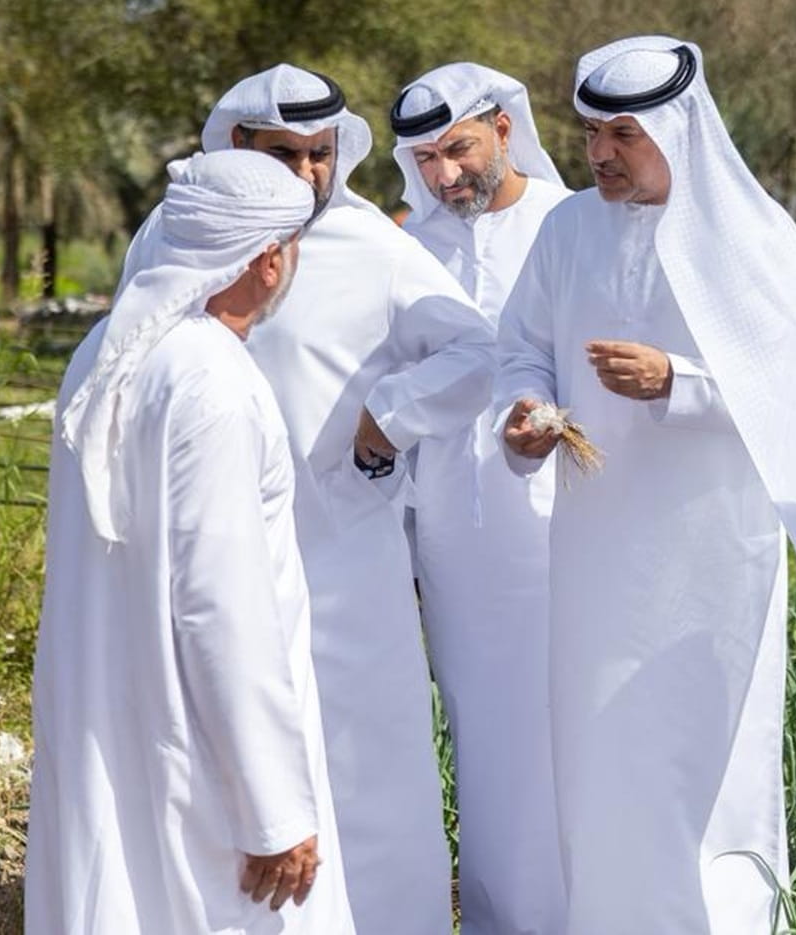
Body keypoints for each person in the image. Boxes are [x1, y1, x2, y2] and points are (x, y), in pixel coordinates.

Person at [494, 36, 796, 933]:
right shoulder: (567, 228)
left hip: (713, 562)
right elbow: (524, 344)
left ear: (677, 128)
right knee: (599, 762)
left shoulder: (749, 236)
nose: (598, 154)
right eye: (591, 132)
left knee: (706, 771)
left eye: (623, 132)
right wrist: (528, 404)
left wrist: (680, 382)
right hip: (595, 554)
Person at [29, 150, 352, 933]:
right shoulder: (214, 382)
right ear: (268, 259)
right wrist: (273, 810)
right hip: (206, 759)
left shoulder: (109, 349)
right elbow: (222, 605)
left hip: (119, 717)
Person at [204, 64, 496, 933]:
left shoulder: (373, 247)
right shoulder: (196, 240)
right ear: (238, 149)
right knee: (238, 760)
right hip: (221, 556)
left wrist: (388, 421)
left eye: (320, 154)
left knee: (369, 773)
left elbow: (475, 352)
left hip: (347, 557)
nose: (304, 175)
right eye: (283, 154)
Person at [390, 62, 574, 935]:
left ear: (503, 127)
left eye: (456, 149)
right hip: (452, 546)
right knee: (485, 743)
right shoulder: (407, 248)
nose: (442, 176)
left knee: (563, 740)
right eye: (423, 159)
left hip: (560, 533)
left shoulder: (569, 226)